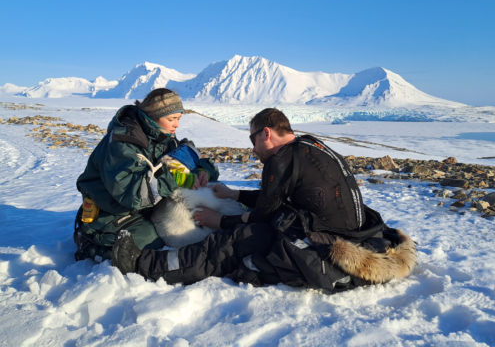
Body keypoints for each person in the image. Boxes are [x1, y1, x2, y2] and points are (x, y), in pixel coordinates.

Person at [112, 108, 417, 293]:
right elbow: (279, 198)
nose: (253, 148)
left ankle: (142, 264)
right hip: (355, 235)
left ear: (266, 133)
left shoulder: (280, 160)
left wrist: (220, 221)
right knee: (248, 227)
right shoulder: (311, 147)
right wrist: (234, 195)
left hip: (326, 249)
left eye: (252, 140)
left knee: (232, 242)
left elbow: (262, 214)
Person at [73, 88, 219, 262]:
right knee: (149, 243)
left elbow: (183, 162)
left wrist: (203, 171)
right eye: (171, 119)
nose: (176, 125)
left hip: (147, 207)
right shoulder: (122, 144)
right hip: (112, 211)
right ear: (152, 117)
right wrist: (175, 177)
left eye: (179, 119)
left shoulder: (163, 137)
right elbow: (132, 193)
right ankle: (90, 245)